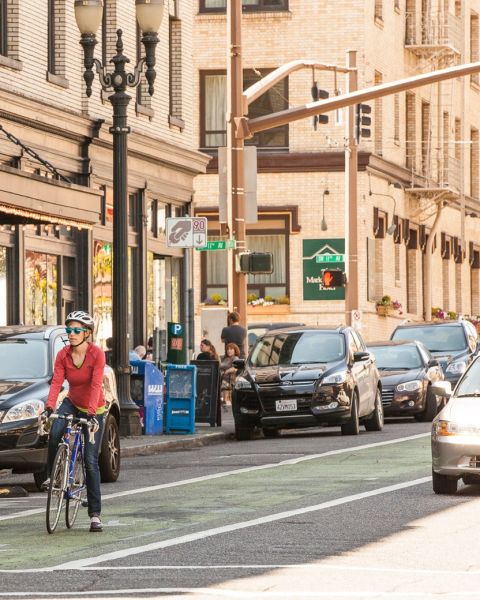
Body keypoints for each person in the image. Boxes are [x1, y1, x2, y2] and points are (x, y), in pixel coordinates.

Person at [42, 310, 106, 533]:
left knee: (90, 460)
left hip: (94, 408)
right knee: (55, 431)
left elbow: (96, 384)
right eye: (69, 330)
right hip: (72, 402)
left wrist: (90, 413)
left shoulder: (97, 354)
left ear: (87, 333)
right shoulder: (62, 355)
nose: (71, 333)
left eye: (76, 330)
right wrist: (50, 406)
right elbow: (57, 381)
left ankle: (95, 515)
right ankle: (53, 477)